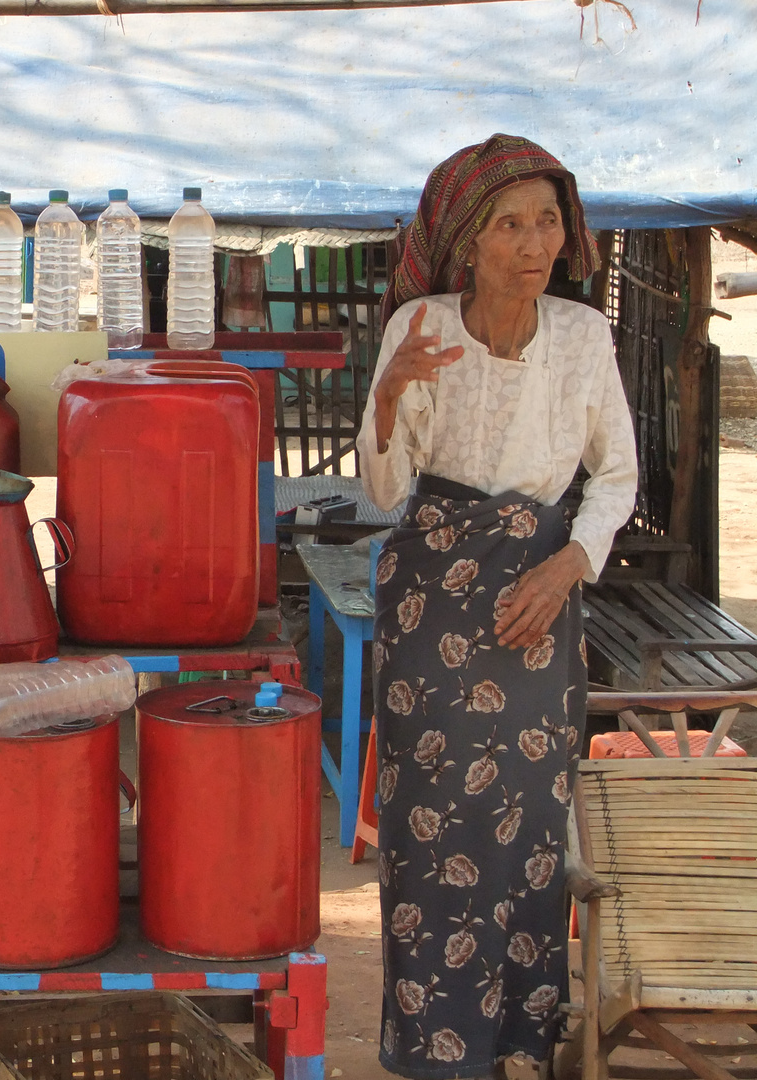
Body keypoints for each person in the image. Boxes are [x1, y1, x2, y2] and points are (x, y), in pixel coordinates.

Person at [357, 133, 639, 1080]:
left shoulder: (583, 338)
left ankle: (516, 1038)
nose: (533, 242)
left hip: (538, 598)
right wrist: (391, 398)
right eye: (509, 224)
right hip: (432, 604)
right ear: (469, 242)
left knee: (525, 820)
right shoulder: (421, 327)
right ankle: (435, 1048)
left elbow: (617, 478)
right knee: (429, 826)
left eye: (547, 220)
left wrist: (566, 571)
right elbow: (388, 489)